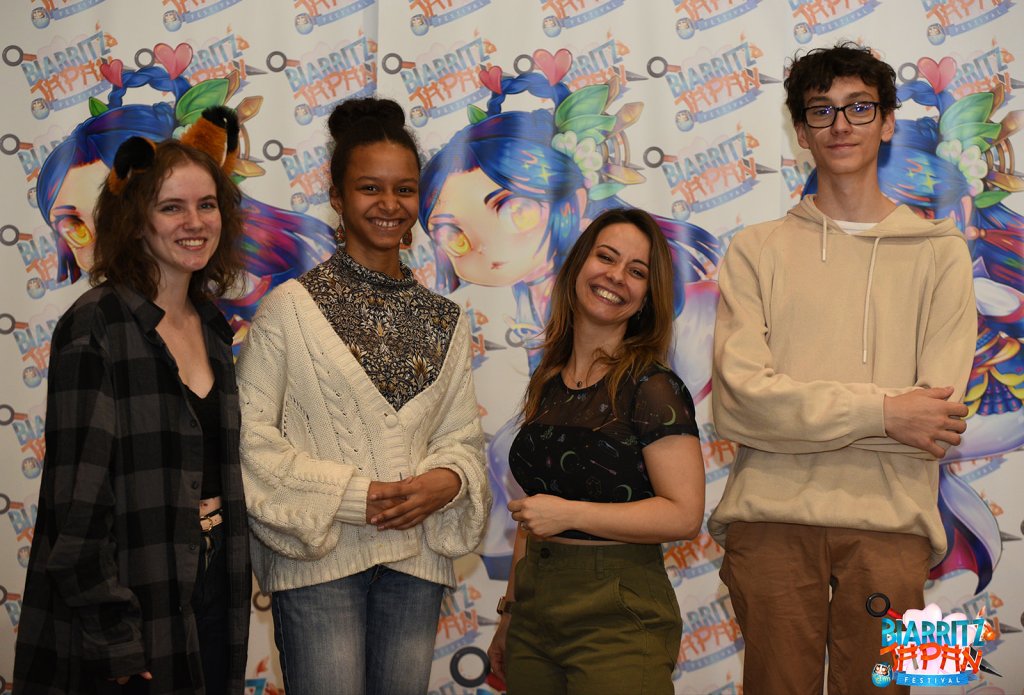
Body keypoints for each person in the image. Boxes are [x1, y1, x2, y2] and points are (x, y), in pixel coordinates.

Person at [707, 43, 977, 694]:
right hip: (770, 522)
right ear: (801, 132)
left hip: (895, 529)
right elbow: (740, 403)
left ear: (887, 122)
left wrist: (795, 416)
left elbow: (934, 419)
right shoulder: (754, 250)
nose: (840, 125)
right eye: (821, 110)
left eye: (859, 107)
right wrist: (885, 413)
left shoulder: (943, 253)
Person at [237, 97, 491, 695]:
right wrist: (358, 497)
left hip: (416, 566)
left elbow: (462, 439)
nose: (389, 204)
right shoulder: (288, 310)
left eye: (404, 189)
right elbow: (251, 444)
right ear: (337, 195)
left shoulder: (446, 319)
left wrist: (449, 481)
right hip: (317, 566)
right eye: (369, 188)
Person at [14, 109, 252, 694]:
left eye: (207, 205)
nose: (194, 222)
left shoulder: (214, 329)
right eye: (171, 207)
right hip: (131, 606)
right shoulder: (96, 326)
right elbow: (77, 507)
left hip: (213, 589)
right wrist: (114, 633)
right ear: (135, 220)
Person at [487, 208, 706, 694]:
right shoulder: (548, 381)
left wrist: (569, 514)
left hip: (618, 612)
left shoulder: (653, 387)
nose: (616, 276)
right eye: (606, 257)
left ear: (647, 297)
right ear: (578, 266)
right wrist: (509, 612)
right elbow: (534, 513)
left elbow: (684, 514)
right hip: (533, 610)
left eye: (636, 271)